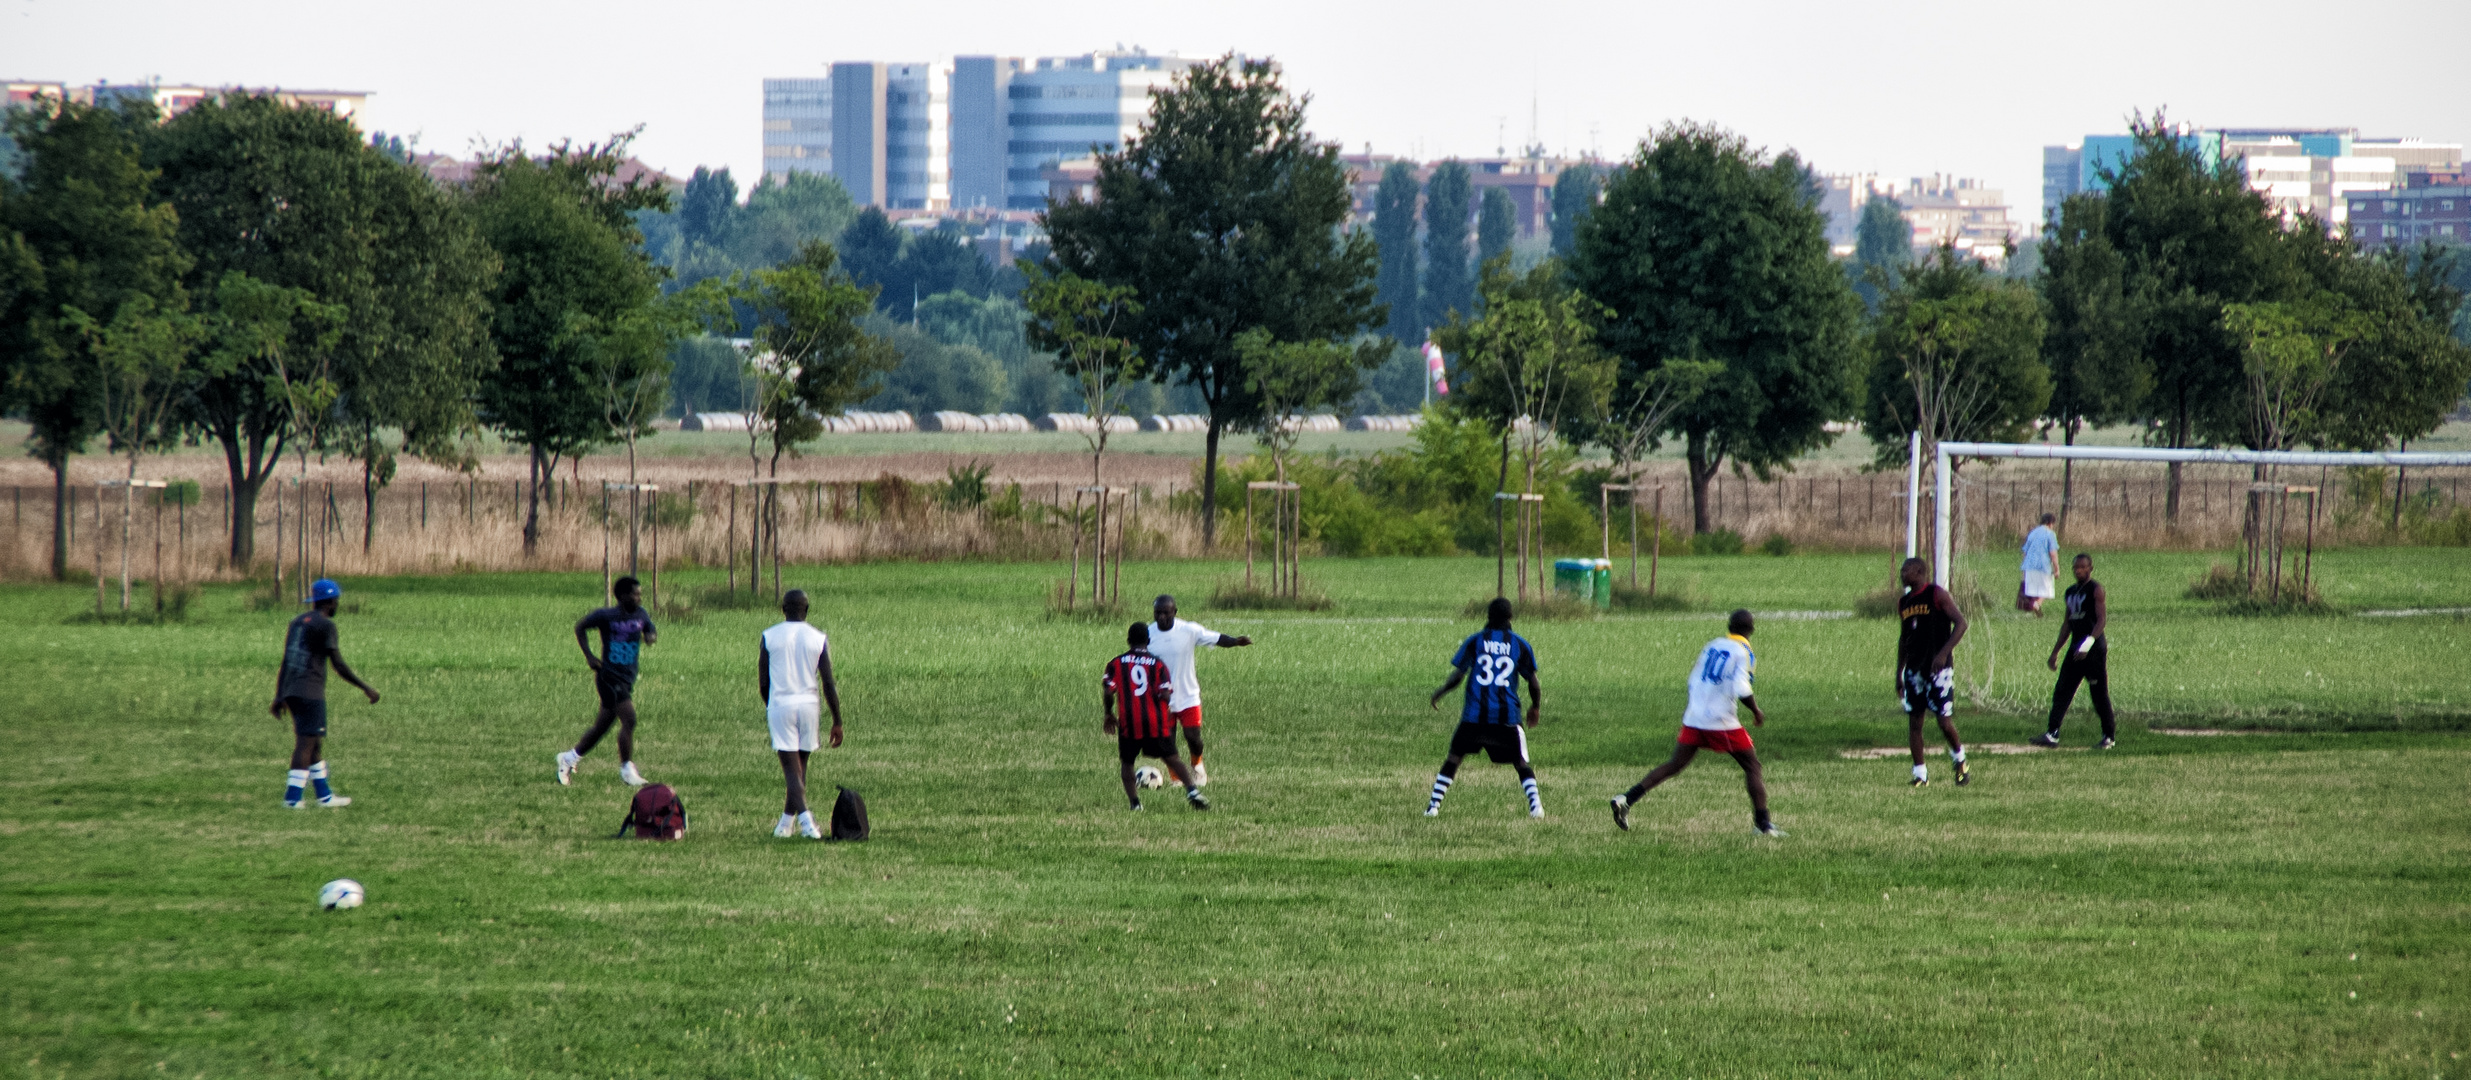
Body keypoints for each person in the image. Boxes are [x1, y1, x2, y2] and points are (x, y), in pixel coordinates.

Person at [1609, 609, 1782, 837]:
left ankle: (1627, 799)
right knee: (1752, 766)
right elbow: (1741, 687)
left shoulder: (1712, 645)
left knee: (1675, 764)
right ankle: (1764, 825)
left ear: (1729, 626)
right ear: (1751, 630)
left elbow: (1695, 678)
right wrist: (1756, 711)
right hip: (1721, 720)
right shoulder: (1744, 651)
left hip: (1695, 716)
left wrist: (1697, 708)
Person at [1425, 597, 1545, 818]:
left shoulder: (1476, 641)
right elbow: (1533, 682)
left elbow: (1458, 675)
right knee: (1520, 761)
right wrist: (1535, 707)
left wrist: (1441, 692)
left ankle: (1433, 807)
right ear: (1511, 617)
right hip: (1506, 715)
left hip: (1474, 716)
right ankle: (1535, 806)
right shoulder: (1520, 644)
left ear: (1488, 616)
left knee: (1454, 758)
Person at [271, 578, 379, 809]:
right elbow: (338, 664)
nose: (337, 604)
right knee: (305, 744)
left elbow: (287, 660)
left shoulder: (298, 622)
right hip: (310, 692)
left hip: (292, 689)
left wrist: (279, 695)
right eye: (336, 600)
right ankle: (292, 799)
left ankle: (325, 796)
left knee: (314, 743)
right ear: (330, 601)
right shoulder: (325, 625)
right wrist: (365, 687)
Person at [556, 576, 658, 787]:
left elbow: (650, 630)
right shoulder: (607, 616)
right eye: (634, 594)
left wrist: (650, 637)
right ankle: (627, 769)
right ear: (621, 596)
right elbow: (580, 627)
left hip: (627, 677)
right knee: (629, 719)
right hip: (608, 676)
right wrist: (590, 657)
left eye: (640, 594)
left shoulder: (641, 614)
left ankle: (569, 758)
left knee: (601, 727)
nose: (638, 598)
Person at [759, 589, 844, 838]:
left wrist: (770, 704)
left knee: (790, 770)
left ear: (783, 609)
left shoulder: (769, 636)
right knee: (800, 767)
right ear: (806, 610)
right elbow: (828, 682)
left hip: (781, 703)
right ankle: (785, 824)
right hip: (809, 705)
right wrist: (837, 720)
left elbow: (763, 682)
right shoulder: (817, 637)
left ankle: (807, 822)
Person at [1147, 594, 1252, 787]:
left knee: (1193, 737)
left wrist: (1236, 641)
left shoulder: (1188, 630)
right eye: (1157, 613)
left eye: (1166, 613)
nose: (1161, 617)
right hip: (1161, 699)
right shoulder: (1147, 634)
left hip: (1188, 696)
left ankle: (1197, 765)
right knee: (1167, 742)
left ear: (1175, 612)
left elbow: (1217, 638)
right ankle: (1177, 778)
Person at [1105, 622, 1209, 812]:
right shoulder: (1158, 664)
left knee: (1127, 763)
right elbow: (1166, 694)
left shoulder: (1116, 663)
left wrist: (1108, 713)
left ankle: (1135, 803)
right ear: (1149, 640)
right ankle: (1192, 790)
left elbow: (1108, 690)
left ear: (1128, 640)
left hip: (1130, 721)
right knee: (1172, 758)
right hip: (1155, 721)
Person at [1896, 557, 1970, 787]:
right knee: (1915, 721)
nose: (1902, 573)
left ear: (1919, 572)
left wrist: (1943, 653)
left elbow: (1961, 624)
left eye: (1906, 569)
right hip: (1915, 669)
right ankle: (1920, 774)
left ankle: (1960, 760)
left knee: (1943, 722)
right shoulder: (1905, 602)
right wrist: (1899, 671)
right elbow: (1903, 638)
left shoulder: (1937, 594)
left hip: (1939, 669)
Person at [2034, 553, 2116, 749]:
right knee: (2062, 689)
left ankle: (2109, 737)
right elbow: (2067, 624)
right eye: (2075, 568)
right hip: (2075, 648)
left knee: (2098, 694)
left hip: (2093, 649)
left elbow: (2101, 621)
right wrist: (2055, 652)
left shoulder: (2096, 590)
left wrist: (2087, 645)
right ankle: (2052, 733)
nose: (2078, 571)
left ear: (2090, 568)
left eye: (2082, 567)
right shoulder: (2070, 592)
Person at [2018, 513, 2060, 615]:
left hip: (2029, 565)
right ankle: (2036, 605)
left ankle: (2033, 606)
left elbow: (2025, 551)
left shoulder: (2032, 533)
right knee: (2047, 588)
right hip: (2043, 565)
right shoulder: (2050, 534)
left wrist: (2025, 566)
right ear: (2051, 523)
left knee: (2033, 588)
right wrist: (2056, 568)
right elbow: (2053, 553)